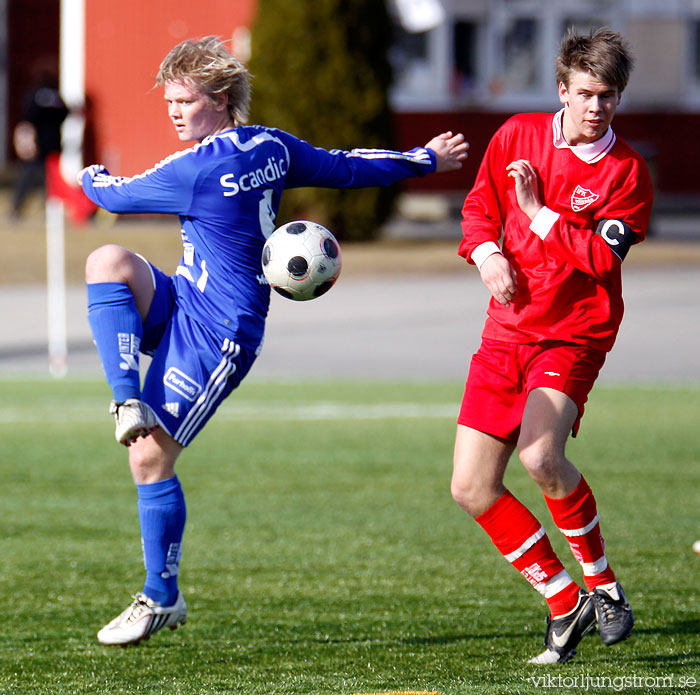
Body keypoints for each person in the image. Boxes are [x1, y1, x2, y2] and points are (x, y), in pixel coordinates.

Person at [77, 35, 468, 647]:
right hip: (184, 299)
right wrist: (421, 160)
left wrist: (85, 170)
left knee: (149, 457)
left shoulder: (196, 168)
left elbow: (109, 194)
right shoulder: (272, 147)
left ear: (223, 98)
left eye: (186, 101)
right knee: (108, 263)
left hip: (219, 335)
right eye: (170, 102)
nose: (175, 112)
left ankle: (161, 597)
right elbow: (345, 166)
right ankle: (126, 398)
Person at [451, 28, 652, 664]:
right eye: (587, 93)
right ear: (561, 90)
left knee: (541, 455)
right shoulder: (516, 135)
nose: (598, 107)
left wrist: (537, 212)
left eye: (610, 96)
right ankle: (567, 601)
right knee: (471, 487)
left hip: (574, 332)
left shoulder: (628, 171)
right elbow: (480, 205)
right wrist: (486, 254)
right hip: (507, 329)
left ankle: (603, 582)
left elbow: (599, 257)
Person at [11, 63, 69, 219]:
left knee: (29, 175)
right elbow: (65, 112)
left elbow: (28, 115)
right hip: (53, 141)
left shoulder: (34, 94)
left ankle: (17, 207)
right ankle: (49, 206)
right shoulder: (55, 94)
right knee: (49, 177)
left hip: (38, 141)